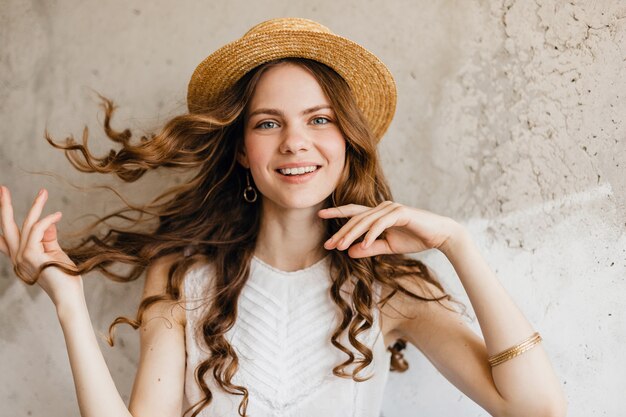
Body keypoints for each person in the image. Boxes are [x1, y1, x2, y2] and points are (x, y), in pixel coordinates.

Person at [0, 17, 566, 417]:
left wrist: (457, 244)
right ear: (243, 150)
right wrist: (69, 304)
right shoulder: (181, 276)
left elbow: (536, 409)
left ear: (347, 142)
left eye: (319, 120)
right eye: (269, 123)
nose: (296, 142)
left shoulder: (390, 289)